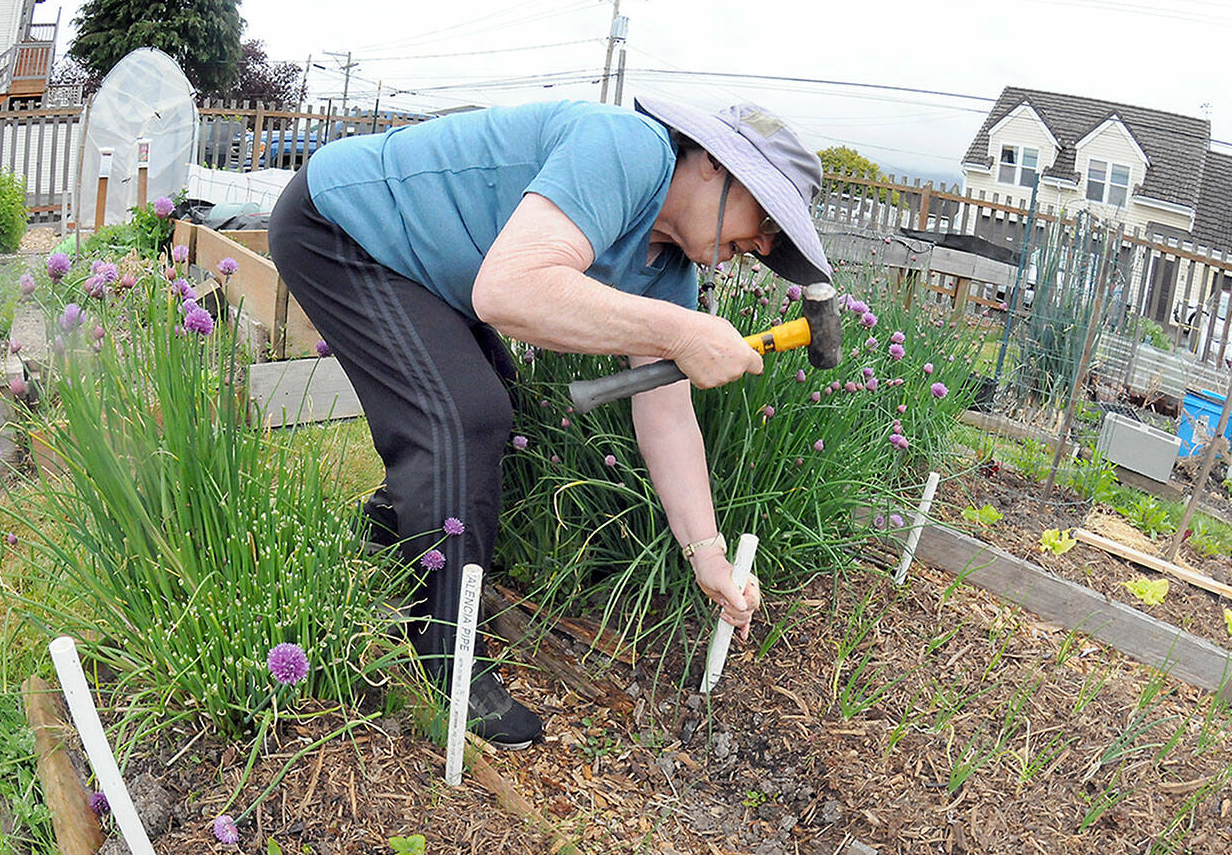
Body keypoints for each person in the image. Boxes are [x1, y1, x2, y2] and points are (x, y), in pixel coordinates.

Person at [267, 97, 832, 750]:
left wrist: (708, 555)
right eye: (765, 216)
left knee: (490, 398)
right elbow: (507, 293)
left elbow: (667, 414)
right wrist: (684, 332)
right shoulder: (627, 150)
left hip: (421, 267)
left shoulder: (667, 269)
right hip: (343, 225)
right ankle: (445, 656)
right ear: (711, 164)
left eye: (774, 240)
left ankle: (382, 539)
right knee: (463, 415)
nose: (762, 244)